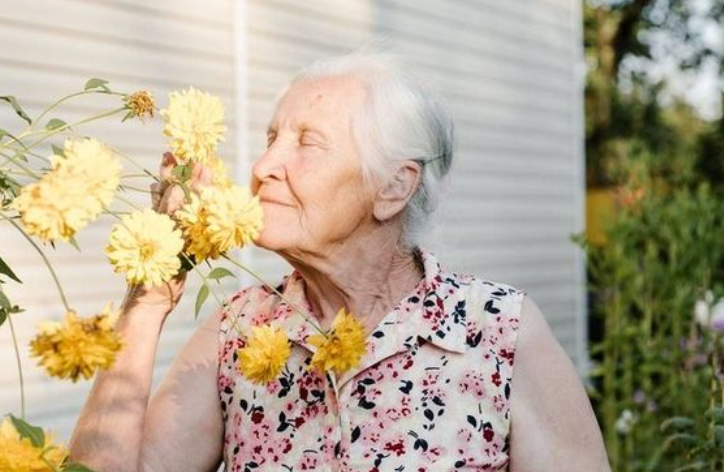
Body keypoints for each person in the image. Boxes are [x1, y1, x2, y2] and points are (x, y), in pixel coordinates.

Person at [68, 50, 611, 472]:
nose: (263, 166)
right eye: (272, 138)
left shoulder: (499, 332)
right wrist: (149, 296)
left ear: (394, 187)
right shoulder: (237, 330)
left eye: (307, 143)